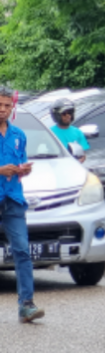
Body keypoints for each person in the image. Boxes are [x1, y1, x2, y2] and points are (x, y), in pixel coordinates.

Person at [0, 87, 41, 322]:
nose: (3, 110)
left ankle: (27, 304)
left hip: (13, 199)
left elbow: (20, 163)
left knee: (22, 250)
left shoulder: (18, 135)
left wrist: (22, 170)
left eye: (7, 106)